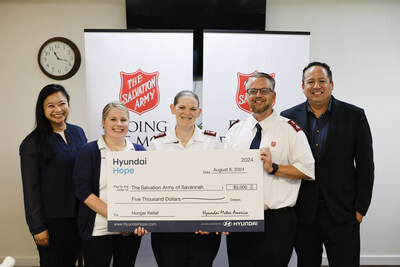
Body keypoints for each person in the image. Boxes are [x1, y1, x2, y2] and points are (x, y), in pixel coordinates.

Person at [281, 62, 374, 267]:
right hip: (304, 214)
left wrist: (360, 210)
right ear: (302, 86)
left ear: (331, 84)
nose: (316, 86)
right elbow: (284, 163)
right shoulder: (287, 118)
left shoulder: (354, 115)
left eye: (322, 81)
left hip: (343, 213)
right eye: (310, 81)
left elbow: (366, 165)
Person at [224, 72, 315, 267]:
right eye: (253, 91)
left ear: (273, 96)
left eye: (264, 90)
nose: (258, 95)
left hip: (276, 221)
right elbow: (224, 175)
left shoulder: (290, 130)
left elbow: (307, 170)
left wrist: (274, 168)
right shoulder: (235, 131)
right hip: (240, 217)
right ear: (246, 96)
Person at [149, 90, 222, 267]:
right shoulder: (157, 143)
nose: (187, 113)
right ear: (172, 108)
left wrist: (213, 219)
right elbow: (150, 184)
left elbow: (220, 182)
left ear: (199, 111)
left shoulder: (212, 141)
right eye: (181, 107)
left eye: (192, 108)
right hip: (168, 227)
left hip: (204, 227)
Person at [19, 84, 87, 267]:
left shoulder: (78, 133)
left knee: (71, 261)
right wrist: (37, 227)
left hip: (79, 215)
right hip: (52, 221)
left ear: (68, 104)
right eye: (50, 105)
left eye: (62, 103)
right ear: (42, 109)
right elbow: (30, 189)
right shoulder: (32, 143)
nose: (57, 109)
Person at [73, 101, 147, 267]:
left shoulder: (140, 151)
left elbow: (145, 192)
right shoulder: (89, 151)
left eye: (123, 119)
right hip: (97, 229)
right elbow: (82, 191)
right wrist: (119, 218)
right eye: (113, 119)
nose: (119, 124)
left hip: (129, 232)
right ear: (103, 122)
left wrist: (140, 221)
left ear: (129, 123)